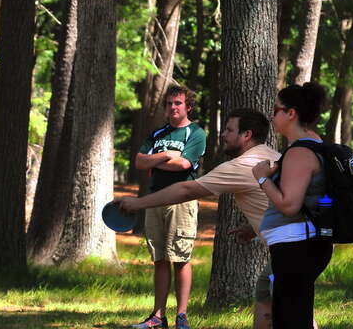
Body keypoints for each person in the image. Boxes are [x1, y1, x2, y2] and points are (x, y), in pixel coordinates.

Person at [119, 108, 280, 329]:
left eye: (229, 130)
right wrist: (254, 228)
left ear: (247, 135)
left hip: (294, 248)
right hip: (300, 244)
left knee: (293, 310)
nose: (223, 135)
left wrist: (138, 203)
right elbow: (277, 199)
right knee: (267, 297)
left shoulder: (242, 165)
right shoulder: (272, 156)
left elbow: (187, 190)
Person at [252, 82, 332, 329]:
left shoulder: (300, 153)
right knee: (294, 315)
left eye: (276, 110)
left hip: (296, 246)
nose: (272, 116)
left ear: (291, 113)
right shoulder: (315, 143)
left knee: (291, 319)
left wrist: (262, 178)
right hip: (303, 244)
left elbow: (289, 205)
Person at [131, 85, 206, 329]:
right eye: (169, 103)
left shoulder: (196, 133)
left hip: (182, 201)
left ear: (188, 107)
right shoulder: (158, 134)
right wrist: (166, 156)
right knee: (160, 258)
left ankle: (181, 317)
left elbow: (184, 165)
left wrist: (157, 161)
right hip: (156, 199)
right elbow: (140, 161)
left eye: (178, 103)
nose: (173, 107)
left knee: (180, 257)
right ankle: (157, 316)